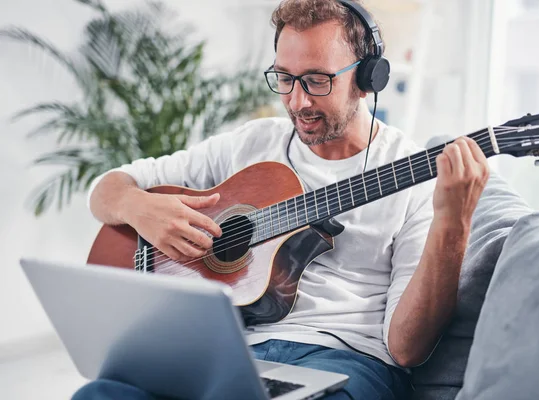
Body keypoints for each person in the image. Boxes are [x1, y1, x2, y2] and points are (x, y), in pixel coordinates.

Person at [73, 0, 490, 399]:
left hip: (346, 362)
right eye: (285, 78)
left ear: (368, 79)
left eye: (316, 80)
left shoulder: (413, 176)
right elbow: (106, 189)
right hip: (232, 349)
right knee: (98, 393)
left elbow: (407, 349)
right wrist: (140, 209)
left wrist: (453, 222)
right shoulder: (253, 143)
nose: (297, 101)